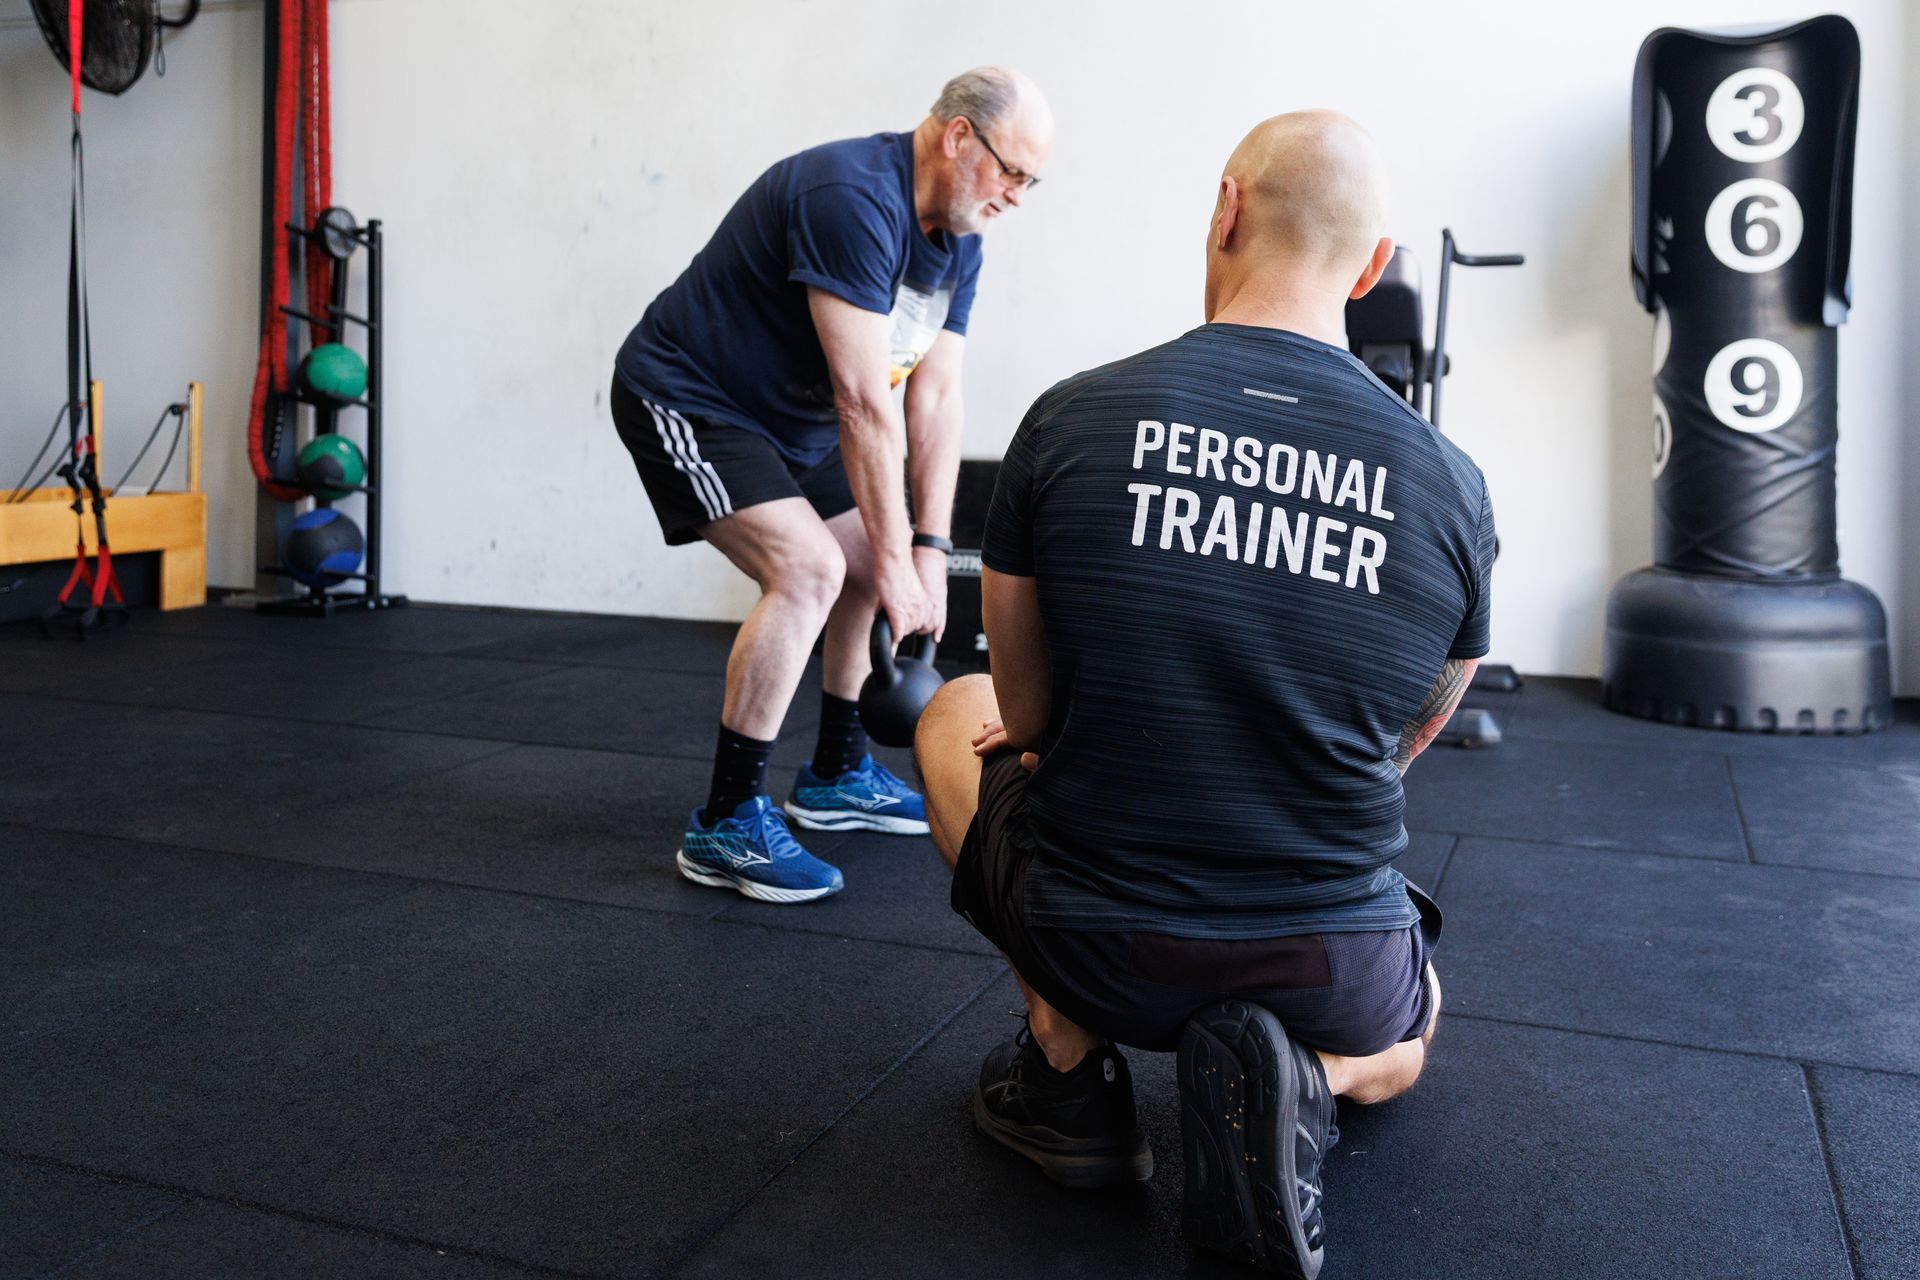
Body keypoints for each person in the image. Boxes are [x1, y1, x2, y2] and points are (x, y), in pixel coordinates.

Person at [913, 111, 1493, 1278]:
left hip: (1100, 941)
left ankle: (1065, 1061)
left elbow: (1025, 711)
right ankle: (1310, 1076)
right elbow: (1420, 721)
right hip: (1335, 961)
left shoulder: (1069, 418)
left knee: (950, 710)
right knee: (1418, 1020)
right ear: (1373, 266)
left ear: (1226, 209)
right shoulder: (1452, 483)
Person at [609, 68, 1055, 903]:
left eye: (1033, 181)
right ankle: (726, 823)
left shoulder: (962, 243)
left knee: (867, 562)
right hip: (689, 397)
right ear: (960, 136)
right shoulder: (850, 197)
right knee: (811, 569)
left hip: (794, 421)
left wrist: (928, 550)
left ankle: (835, 772)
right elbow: (862, 400)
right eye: (1012, 172)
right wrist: (895, 558)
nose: (1017, 196)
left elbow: (935, 396)